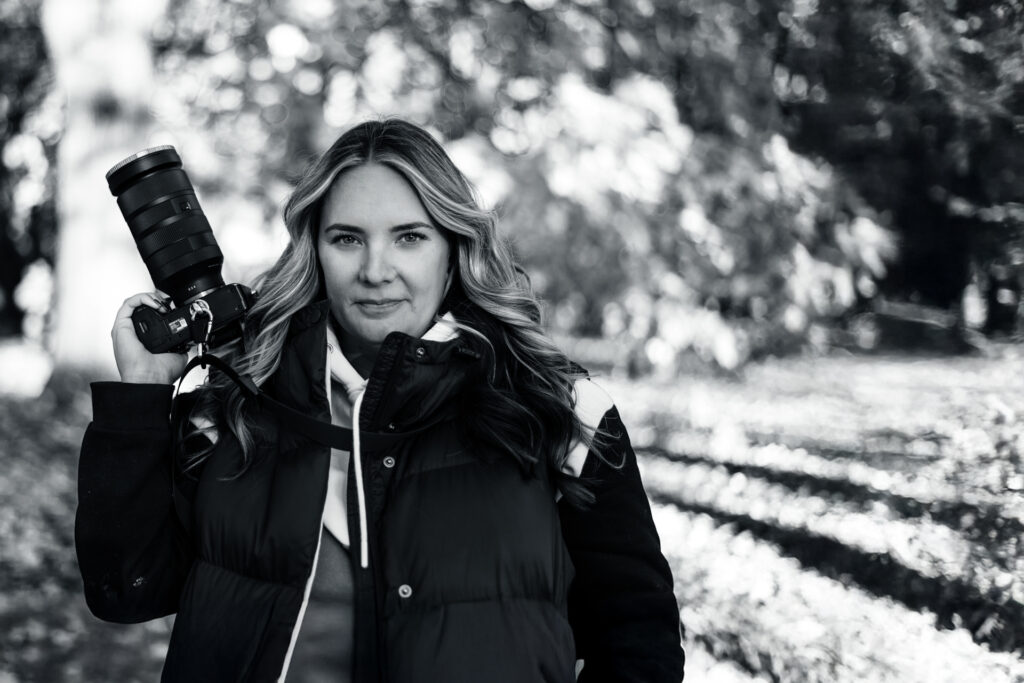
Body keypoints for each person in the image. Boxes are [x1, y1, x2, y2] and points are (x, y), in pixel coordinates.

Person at [76, 118, 685, 682]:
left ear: (453, 249)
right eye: (347, 239)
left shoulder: (562, 410)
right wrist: (142, 397)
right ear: (315, 250)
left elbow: (640, 641)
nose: (375, 270)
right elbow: (125, 589)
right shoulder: (236, 402)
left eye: (409, 238)